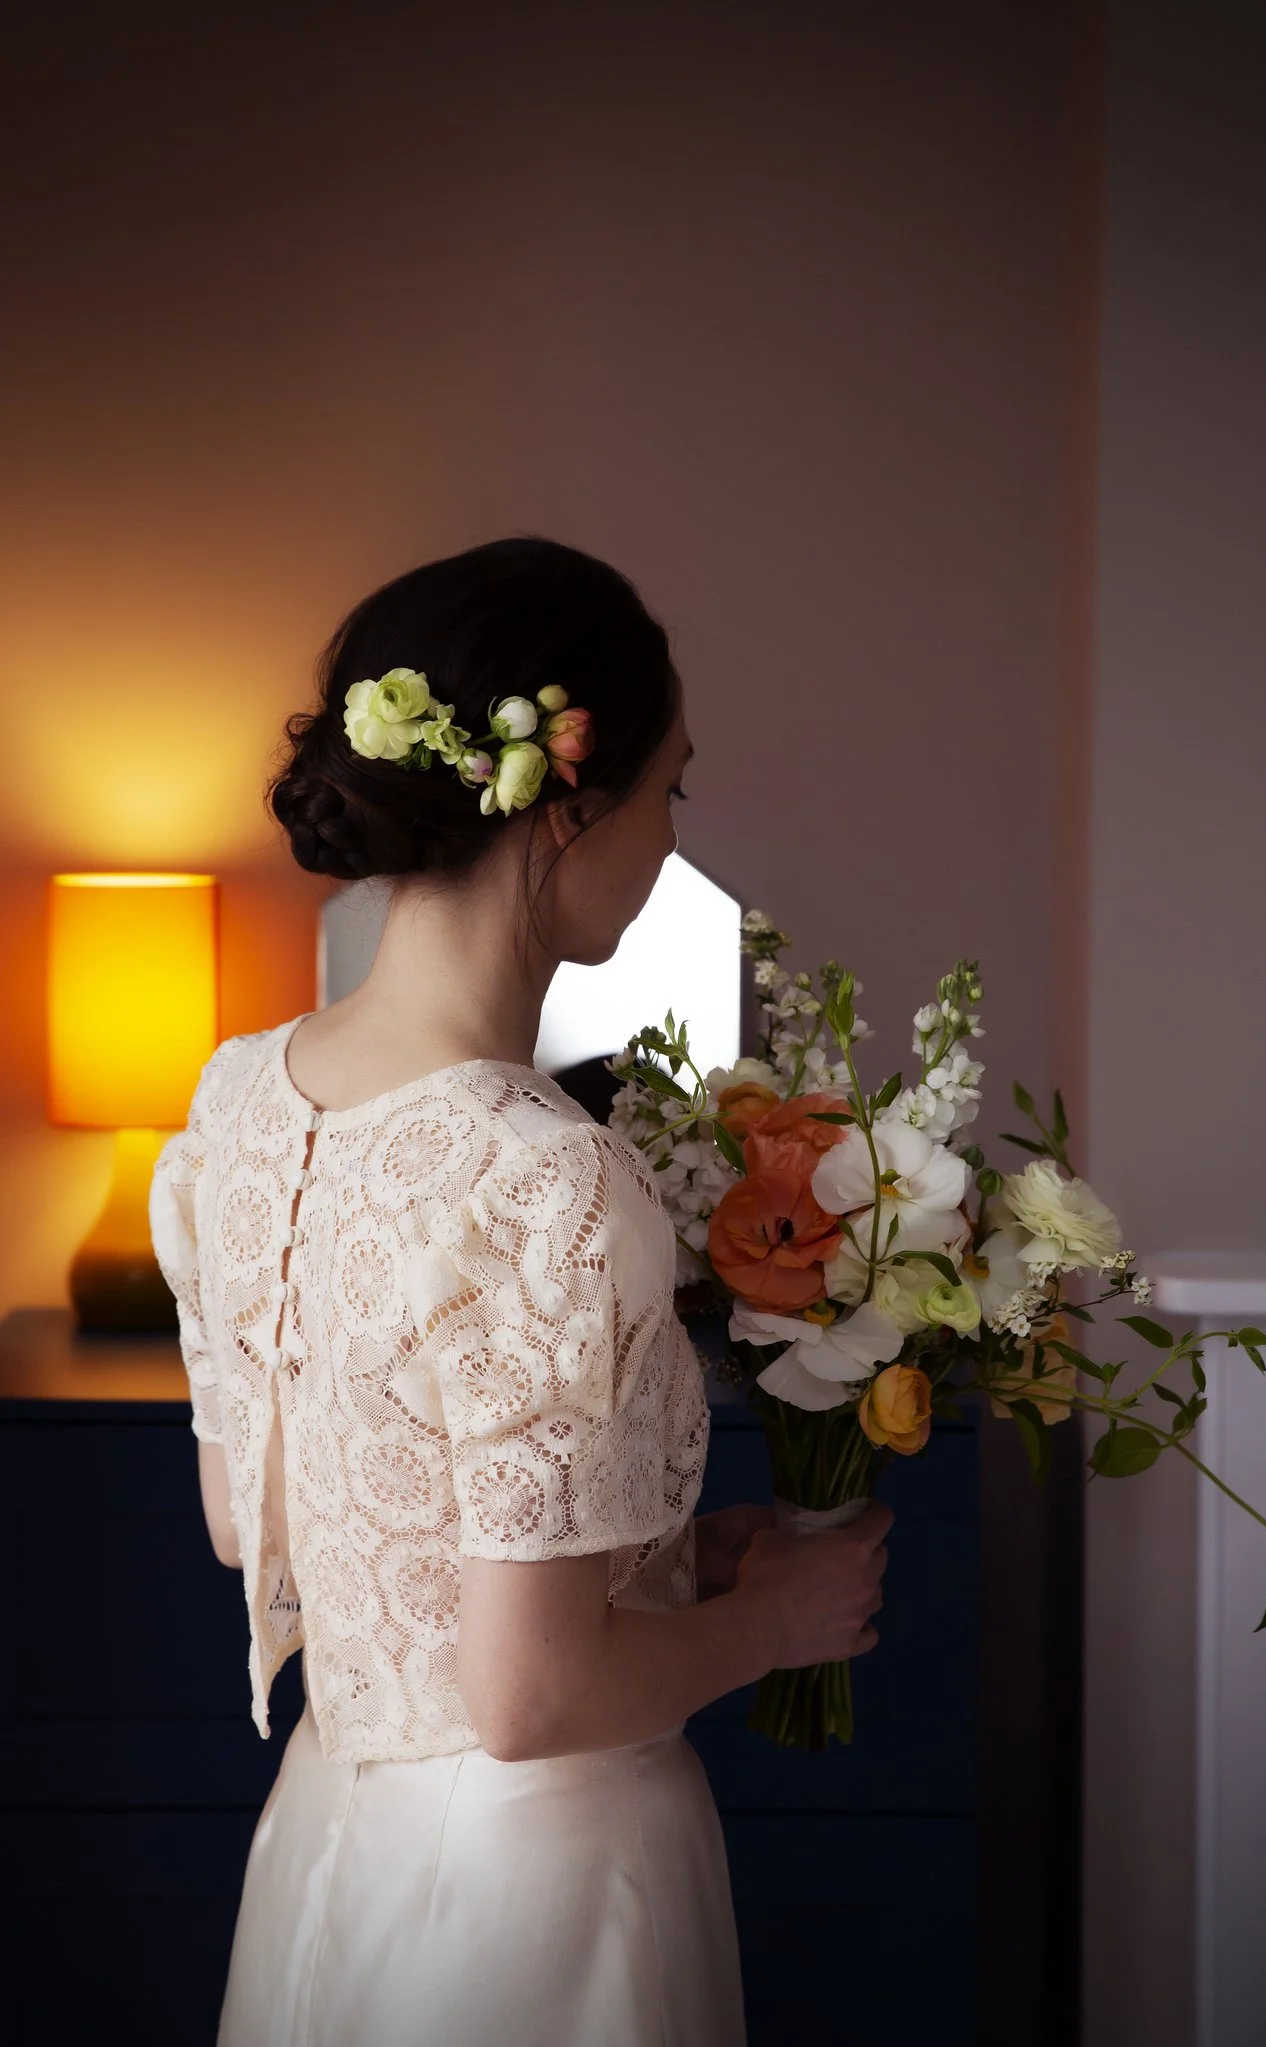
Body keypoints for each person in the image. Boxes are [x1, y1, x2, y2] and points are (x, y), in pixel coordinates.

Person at [150, 537, 891, 2047]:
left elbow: (258, 1520)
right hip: (538, 1894)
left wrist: (661, 1554)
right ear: (568, 801)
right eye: (669, 787)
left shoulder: (231, 1108)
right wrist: (783, 1616)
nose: (671, 839)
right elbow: (533, 1697)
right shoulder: (544, 1176)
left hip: (330, 1854)